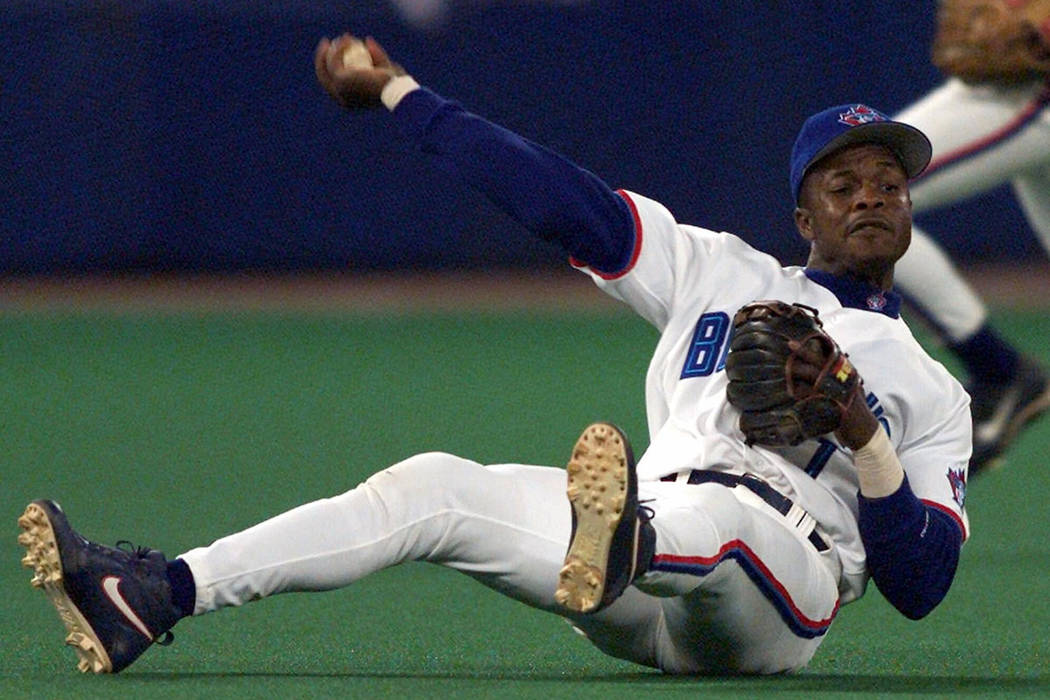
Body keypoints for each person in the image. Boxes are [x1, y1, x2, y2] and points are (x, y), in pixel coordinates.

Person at [17, 34, 971, 676]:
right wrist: (401, 93)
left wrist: (864, 436)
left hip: (778, 587)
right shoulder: (716, 271)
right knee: (435, 487)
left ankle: (625, 539)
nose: (872, 195)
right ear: (804, 217)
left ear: (910, 208)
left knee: (718, 512)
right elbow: (553, 194)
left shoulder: (931, 391)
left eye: (889, 181)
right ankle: (151, 591)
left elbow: (922, 589)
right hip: (635, 567)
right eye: (843, 183)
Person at [890, 0, 1050, 474]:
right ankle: (1002, 373)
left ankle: (1001, 373)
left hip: (1033, 91)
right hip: (1012, 87)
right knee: (862, 189)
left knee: (868, 188)